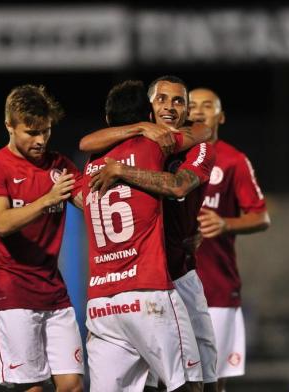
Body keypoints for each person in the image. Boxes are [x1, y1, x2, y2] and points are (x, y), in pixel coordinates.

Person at [85, 76, 218, 392]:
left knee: (207, 378)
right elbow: (86, 143)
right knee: (181, 381)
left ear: (186, 110)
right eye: (162, 100)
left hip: (178, 275)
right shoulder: (132, 146)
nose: (170, 107)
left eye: (178, 101)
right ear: (148, 109)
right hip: (150, 281)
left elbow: (181, 183)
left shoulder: (195, 148)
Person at [0, 85, 84, 392]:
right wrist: (47, 199)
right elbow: (1, 222)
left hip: (52, 289)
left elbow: (87, 201)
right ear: (9, 126)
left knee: (72, 385)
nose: (40, 140)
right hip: (9, 290)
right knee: (32, 389)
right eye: (31, 132)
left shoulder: (60, 165)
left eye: (46, 131)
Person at [188, 88, 270, 392]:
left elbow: (261, 217)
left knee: (213, 382)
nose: (198, 111)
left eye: (207, 106)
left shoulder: (234, 160)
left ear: (220, 116)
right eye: (192, 105)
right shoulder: (168, 158)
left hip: (217, 289)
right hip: (170, 289)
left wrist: (226, 223)